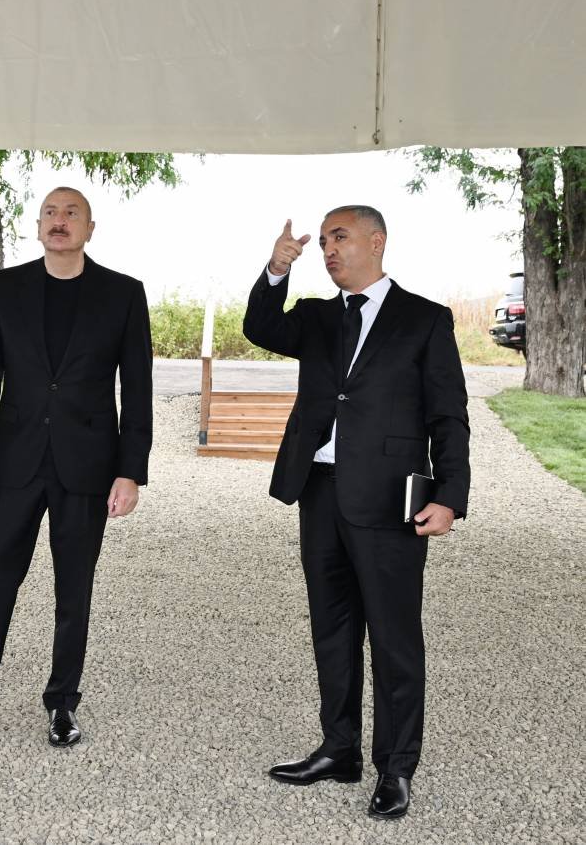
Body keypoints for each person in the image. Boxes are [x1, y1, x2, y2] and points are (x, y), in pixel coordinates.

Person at [242, 206, 470, 819]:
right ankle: (338, 750)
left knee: (395, 639)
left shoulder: (425, 319)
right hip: (319, 492)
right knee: (333, 630)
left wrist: (450, 495)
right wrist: (276, 268)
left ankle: (396, 767)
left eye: (339, 238)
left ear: (377, 241)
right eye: (322, 242)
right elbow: (260, 327)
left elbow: (448, 414)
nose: (328, 250)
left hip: (391, 499)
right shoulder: (316, 317)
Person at [0, 186, 153, 748]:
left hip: (88, 467)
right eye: (50, 212)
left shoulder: (123, 294)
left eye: (71, 213)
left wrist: (130, 471)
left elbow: (138, 390)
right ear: (39, 225)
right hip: (14, 464)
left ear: (90, 228)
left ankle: (62, 704)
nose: (59, 221)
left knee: (74, 591)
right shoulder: (6, 288)